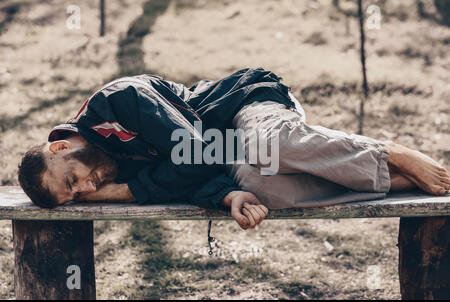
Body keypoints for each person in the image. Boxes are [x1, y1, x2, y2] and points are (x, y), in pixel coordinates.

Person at [17, 68, 450, 230]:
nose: (87, 190)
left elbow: (195, 155)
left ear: (59, 146)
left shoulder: (117, 101)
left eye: (72, 181)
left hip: (250, 103)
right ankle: (395, 183)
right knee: (265, 189)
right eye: (75, 196)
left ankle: (385, 152)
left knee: (267, 144)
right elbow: (179, 181)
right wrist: (227, 196)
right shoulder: (107, 166)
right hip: (228, 152)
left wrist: (129, 192)